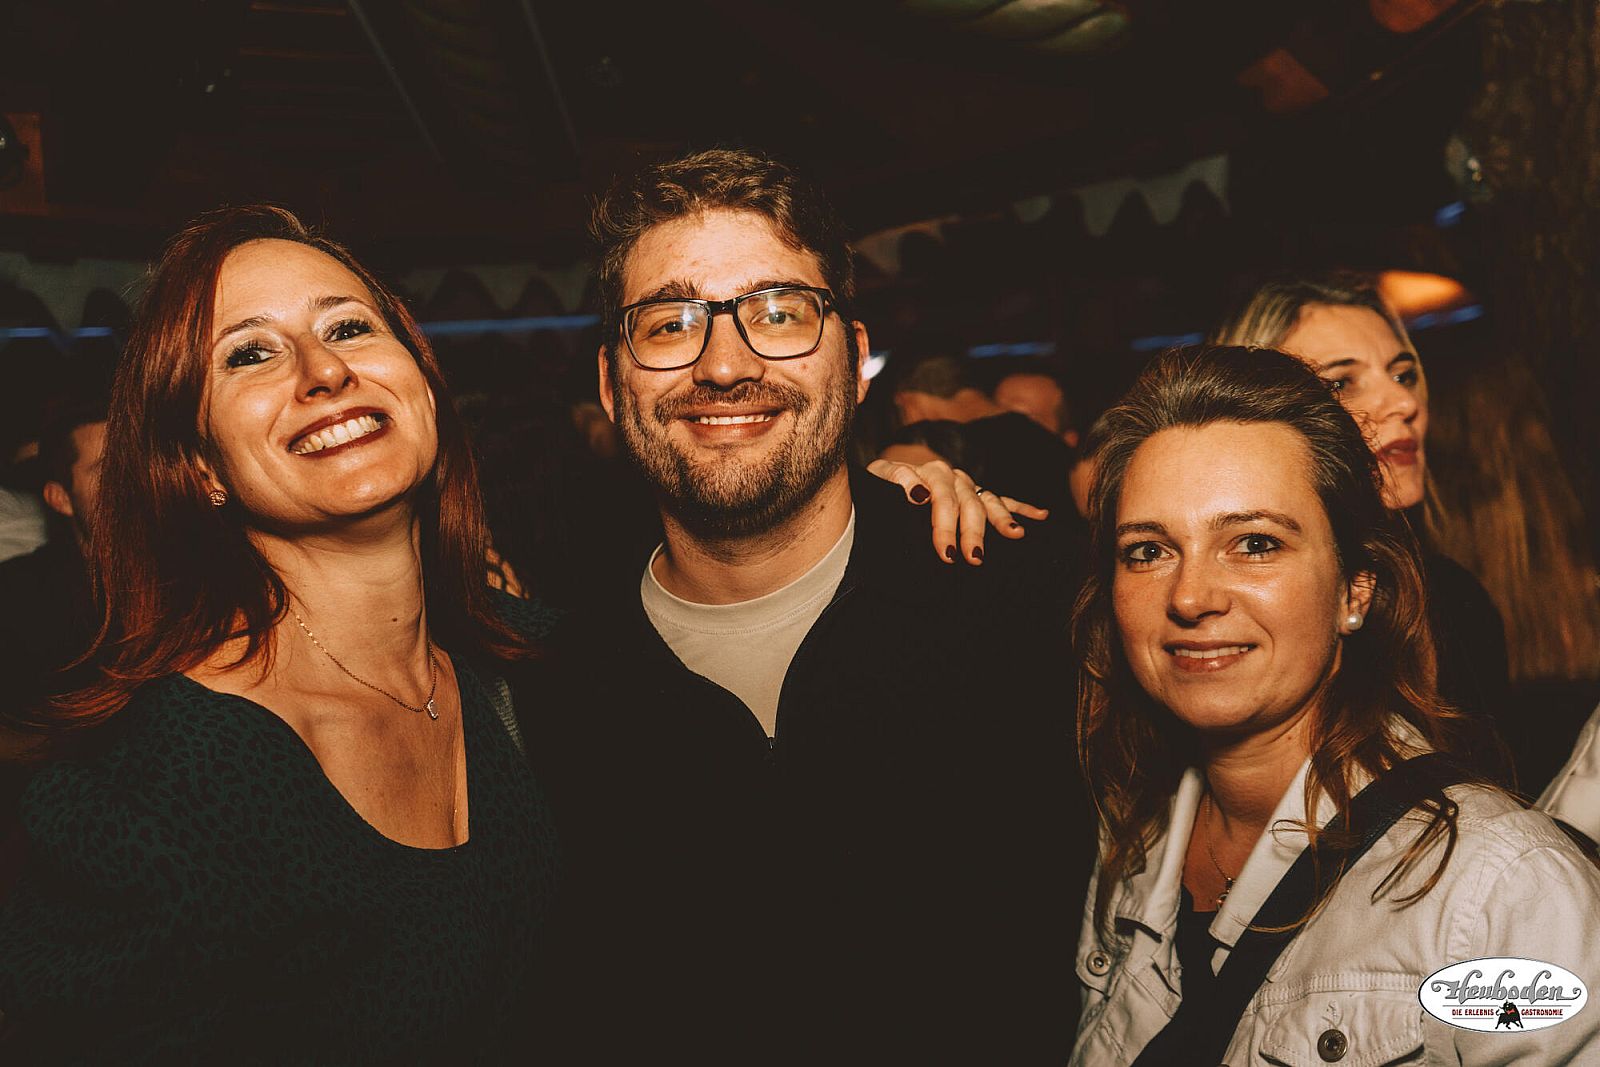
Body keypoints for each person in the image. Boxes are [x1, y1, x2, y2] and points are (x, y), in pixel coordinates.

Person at [515, 147, 1089, 1064]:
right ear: (612, 385)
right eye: (669, 323)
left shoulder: (1036, 602)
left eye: (778, 312)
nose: (724, 364)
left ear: (856, 360)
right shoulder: (547, 692)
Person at [0, 206, 559, 1061]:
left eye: (349, 326)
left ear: (422, 384)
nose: (324, 370)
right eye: (249, 352)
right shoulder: (160, 780)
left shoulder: (536, 662)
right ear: (201, 467)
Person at [1069, 345, 1600, 1065]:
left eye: (1255, 543)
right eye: (1148, 550)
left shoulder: (1502, 891)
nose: (1190, 596)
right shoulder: (1130, 839)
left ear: (1355, 589)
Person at [1214, 273, 1511, 772]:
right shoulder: (1218, 603)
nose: (1403, 404)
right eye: (1341, 383)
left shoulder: (1453, 604)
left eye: (1403, 375)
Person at [0, 399, 107, 714]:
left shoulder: (191, 578)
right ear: (60, 498)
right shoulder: (19, 598)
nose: (134, 482)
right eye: (108, 469)